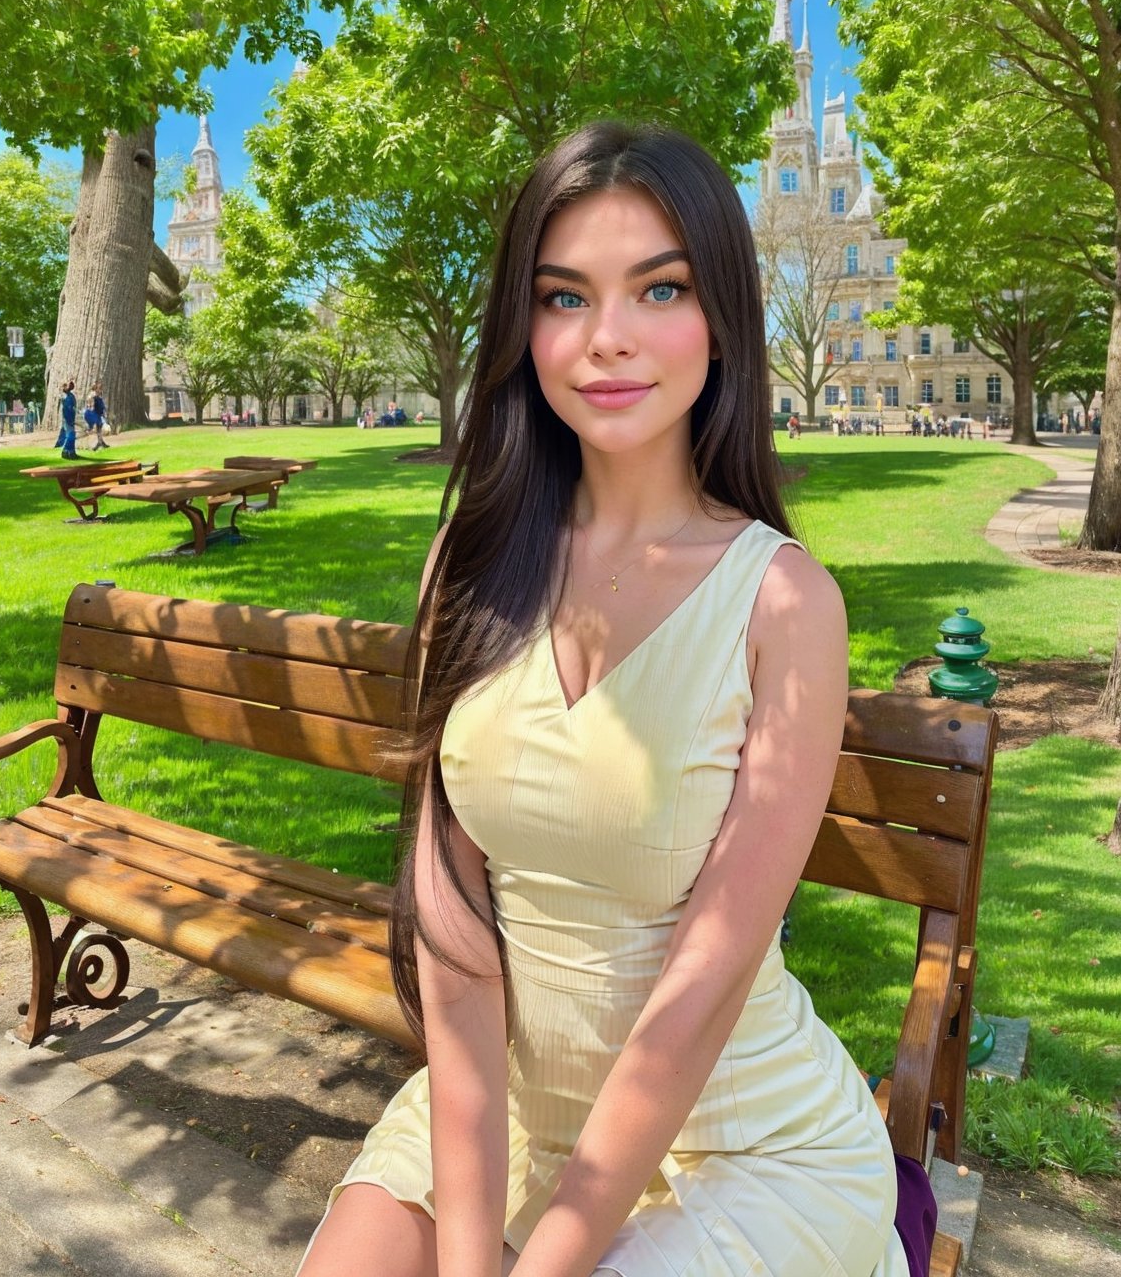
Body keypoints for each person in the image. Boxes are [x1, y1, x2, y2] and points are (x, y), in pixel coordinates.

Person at [297, 122, 918, 1277]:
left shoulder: (782, 604)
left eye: (660, 287)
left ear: (721, 317)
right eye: (564, 296)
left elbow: (700, 992)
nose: (609, 340)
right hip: (502, 1114)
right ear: (522, 327)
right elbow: (453, 934)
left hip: (742, 1140)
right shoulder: (470, 563)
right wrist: (475, 1253)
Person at [87, 381, 109, 451]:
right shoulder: (94, 396)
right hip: (97, 414)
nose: (100, 389)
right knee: (99, 428)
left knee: (99, 428)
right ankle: (100, 443)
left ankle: (100, 442)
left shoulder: (99, 395)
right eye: (99, 388)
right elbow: (91, 402)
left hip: (100, 413)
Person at [59, 380, 78, 459]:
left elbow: (74, 406)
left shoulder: (71, 396)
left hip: (71, 417)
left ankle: (71, 451)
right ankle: (65, 451)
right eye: (69, 385)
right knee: (70, 434)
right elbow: (66, 407)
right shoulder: (64, 396)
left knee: (71, 434)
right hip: (67, 417)